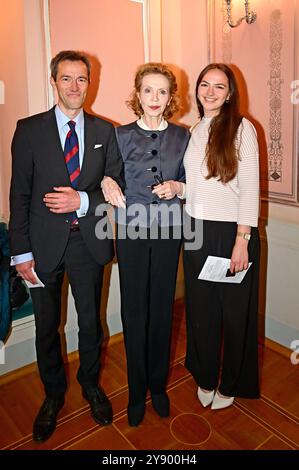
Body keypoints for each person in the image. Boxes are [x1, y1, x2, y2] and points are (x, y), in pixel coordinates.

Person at [9, 50, 124, 442]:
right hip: (41, 250)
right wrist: (21, 253)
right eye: (67, 78)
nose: (75, 87)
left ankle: (91, 386)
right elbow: (18, 195)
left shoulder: (106, 132)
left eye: (82, 79)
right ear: (53, 81)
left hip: (88, 247)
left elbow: (116, 190)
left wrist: (84, 200)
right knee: (47, 328)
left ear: (90, 83)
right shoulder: (29, 130)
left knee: (91, 324)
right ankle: (53, 395)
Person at [112, 63, 189, 427]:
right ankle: (135, 390)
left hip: (169, 230)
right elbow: (104, 175)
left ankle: (157, 386)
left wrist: (179, 188)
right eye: (148, 90)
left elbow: (194, 183)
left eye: (162, 92)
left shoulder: (182, 136)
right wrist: (107, 183)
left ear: (171, 97)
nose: (155, 98)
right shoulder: (119, 135)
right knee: (134, 311)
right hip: (130, 233)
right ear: (137, 94)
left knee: (161, 309)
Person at [183, 63, 260, 410]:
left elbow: (249, 189)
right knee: (201, 310)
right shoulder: (194, 129)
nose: (210, 92)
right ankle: (204, 375)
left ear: (229, 94)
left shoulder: (242, 128)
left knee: (234, 314)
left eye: (219, 86)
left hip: (232, 232)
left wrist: (242, 239)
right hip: (195, 230)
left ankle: (230, 382)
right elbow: (201, 187)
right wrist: (177, 188)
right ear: (197, 89)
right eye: (204, 84)